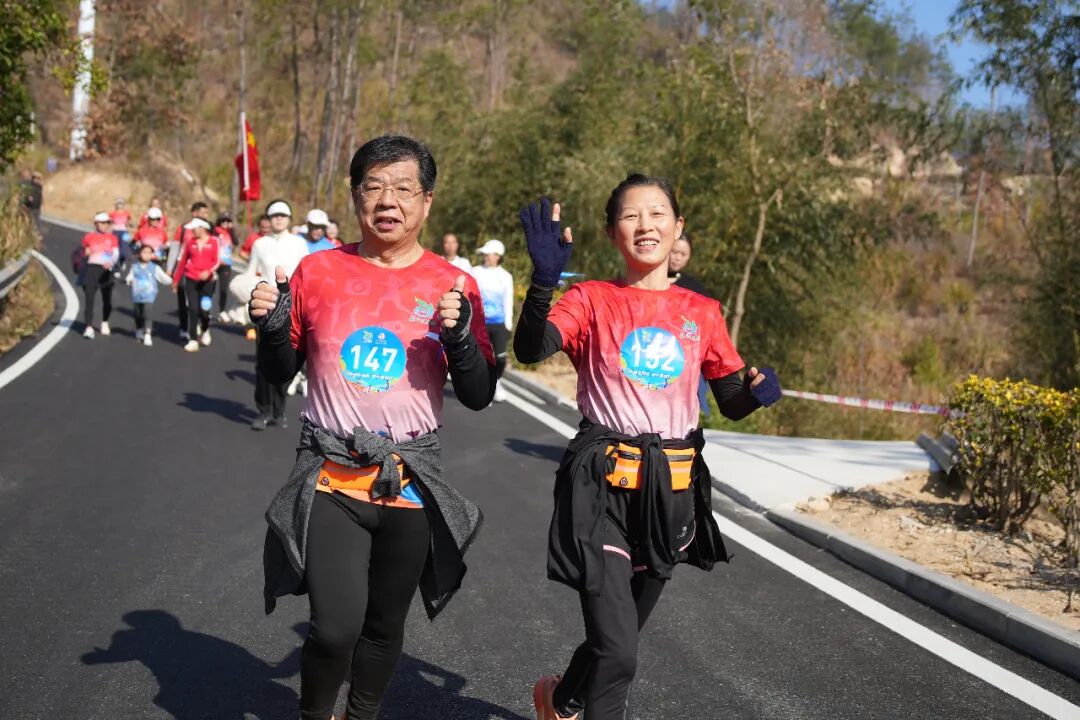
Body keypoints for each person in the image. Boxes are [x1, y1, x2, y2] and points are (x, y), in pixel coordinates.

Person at [513, 177, 782, 720]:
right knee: (619, 652)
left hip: (670, 495)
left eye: (658, 214)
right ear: (612, 232)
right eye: (631, 216)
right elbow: (530, 348)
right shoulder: (591, 299)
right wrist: (543, 283)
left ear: (678, 228)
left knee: (618, 637)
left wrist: (756, 394)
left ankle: (560, 700)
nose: (646, 226)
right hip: (602, 491)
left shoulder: (702, 311)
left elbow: (729, 401)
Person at [249, 134, 495, 720]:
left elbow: (479, 394)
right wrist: (273, 325)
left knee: (384, 627)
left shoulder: (454, 285)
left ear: (427, 201)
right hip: (331, 473)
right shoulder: (318, 271)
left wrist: (461, 340)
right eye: (375, 186)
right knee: (335, 628)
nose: (388, 200)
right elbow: (281, 371)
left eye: (404, 188)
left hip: (410, 478)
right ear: (356, 195)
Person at [232, 199, 308, 429]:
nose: (279, 219)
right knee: (263, 361)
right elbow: (250, 274)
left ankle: (280, 410)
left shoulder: (299, 244)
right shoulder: (260, 244)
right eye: (275, 215)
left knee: (287, 361)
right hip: (265, 308)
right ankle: (263, 410)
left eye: (283, 215)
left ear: (289, 219)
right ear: (268, 218)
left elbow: (306, 275)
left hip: (292, 309)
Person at [667, 233, 712, 414]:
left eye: (683, 254)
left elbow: (706, 326)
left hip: (687, 360)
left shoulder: (695, 289)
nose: (677, 257)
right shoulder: (646, 280)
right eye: (674, 252)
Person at [471, 239, 513, 402]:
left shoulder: (505, 276)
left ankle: (496, 382)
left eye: (489, 254)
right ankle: (482, 388)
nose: (486, 257)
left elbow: (508, 299)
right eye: (485, 254)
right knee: (480, 358)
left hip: (499, 324)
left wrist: (508, 324)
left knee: (500, 358)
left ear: (497, 256)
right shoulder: (475, 272)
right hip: (479, 324)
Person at [171, 218, 220, 352]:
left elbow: (217, 261)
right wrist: (176, 280)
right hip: (191, 279)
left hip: (207, 281)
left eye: (194, 228)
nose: (192, 231)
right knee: (193, 309)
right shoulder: (189, 242)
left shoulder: (214, 241)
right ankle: (193, 339)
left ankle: (205, 329)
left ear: (202, 228)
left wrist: (208, 272)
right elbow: (182, 263)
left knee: (205, 310)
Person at [168, 202, 212, 341]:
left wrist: (211, 270)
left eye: (206, 213)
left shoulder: (208, 229)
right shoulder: (183, 229)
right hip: (183, 269)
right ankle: (183, 327)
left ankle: (199, 324)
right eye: (203, 212)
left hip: (203, 271)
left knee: (200, 302)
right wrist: (170, 269)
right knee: (183, 298)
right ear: (194, 213)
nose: (206, 215)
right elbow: (175, 249)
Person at [80, 212, 120, 339]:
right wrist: (85, 253)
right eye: (103, 223)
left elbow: (116, 253)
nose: (105, 225)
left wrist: (111, 262)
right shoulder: (88, 237)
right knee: (89, 299)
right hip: (91, 269)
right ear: (96, 223)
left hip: (106, 270)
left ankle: (105, 322)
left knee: (107, 299)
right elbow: (81, 253)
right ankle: (88, 327)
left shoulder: (112, 238)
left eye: (107, 223)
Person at [125, 243, 174, 346]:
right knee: (138, 314)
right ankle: (139, 330)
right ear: (139, 254)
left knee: (147, 313)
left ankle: (147, 333)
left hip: (149, 295)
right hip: (137, 295)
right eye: (144, 252)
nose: (147, 255)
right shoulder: (135, 267)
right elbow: (130, 276)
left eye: (149, 253)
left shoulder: (154, 268)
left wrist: (172, 281)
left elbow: (163, 278)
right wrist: (129, 280)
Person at [214, 213, 237, 322]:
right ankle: (205, 311)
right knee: (210, 288)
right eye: (223, 221)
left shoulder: (230, 233)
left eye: (228, 221)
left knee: (223, 289)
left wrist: (232, 230)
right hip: (214, 264)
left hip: (226, 265)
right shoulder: (215, 231)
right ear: (219, 221)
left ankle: (222, 311)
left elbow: (236, 242)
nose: (225, 223)